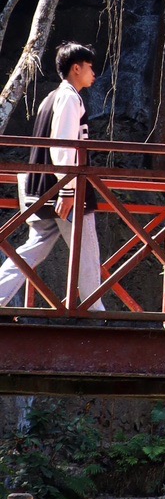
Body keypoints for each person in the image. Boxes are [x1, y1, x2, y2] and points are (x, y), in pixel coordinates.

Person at [0, 42, 106, 310]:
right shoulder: (70, 97)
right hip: (65, 189)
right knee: (87, 251)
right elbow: (63, 146)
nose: (93, 73)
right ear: (76, 68)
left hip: (43, 189)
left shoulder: (51, 97)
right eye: (90, 68)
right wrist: (68, 190)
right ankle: (96, 312)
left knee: (33, 247)